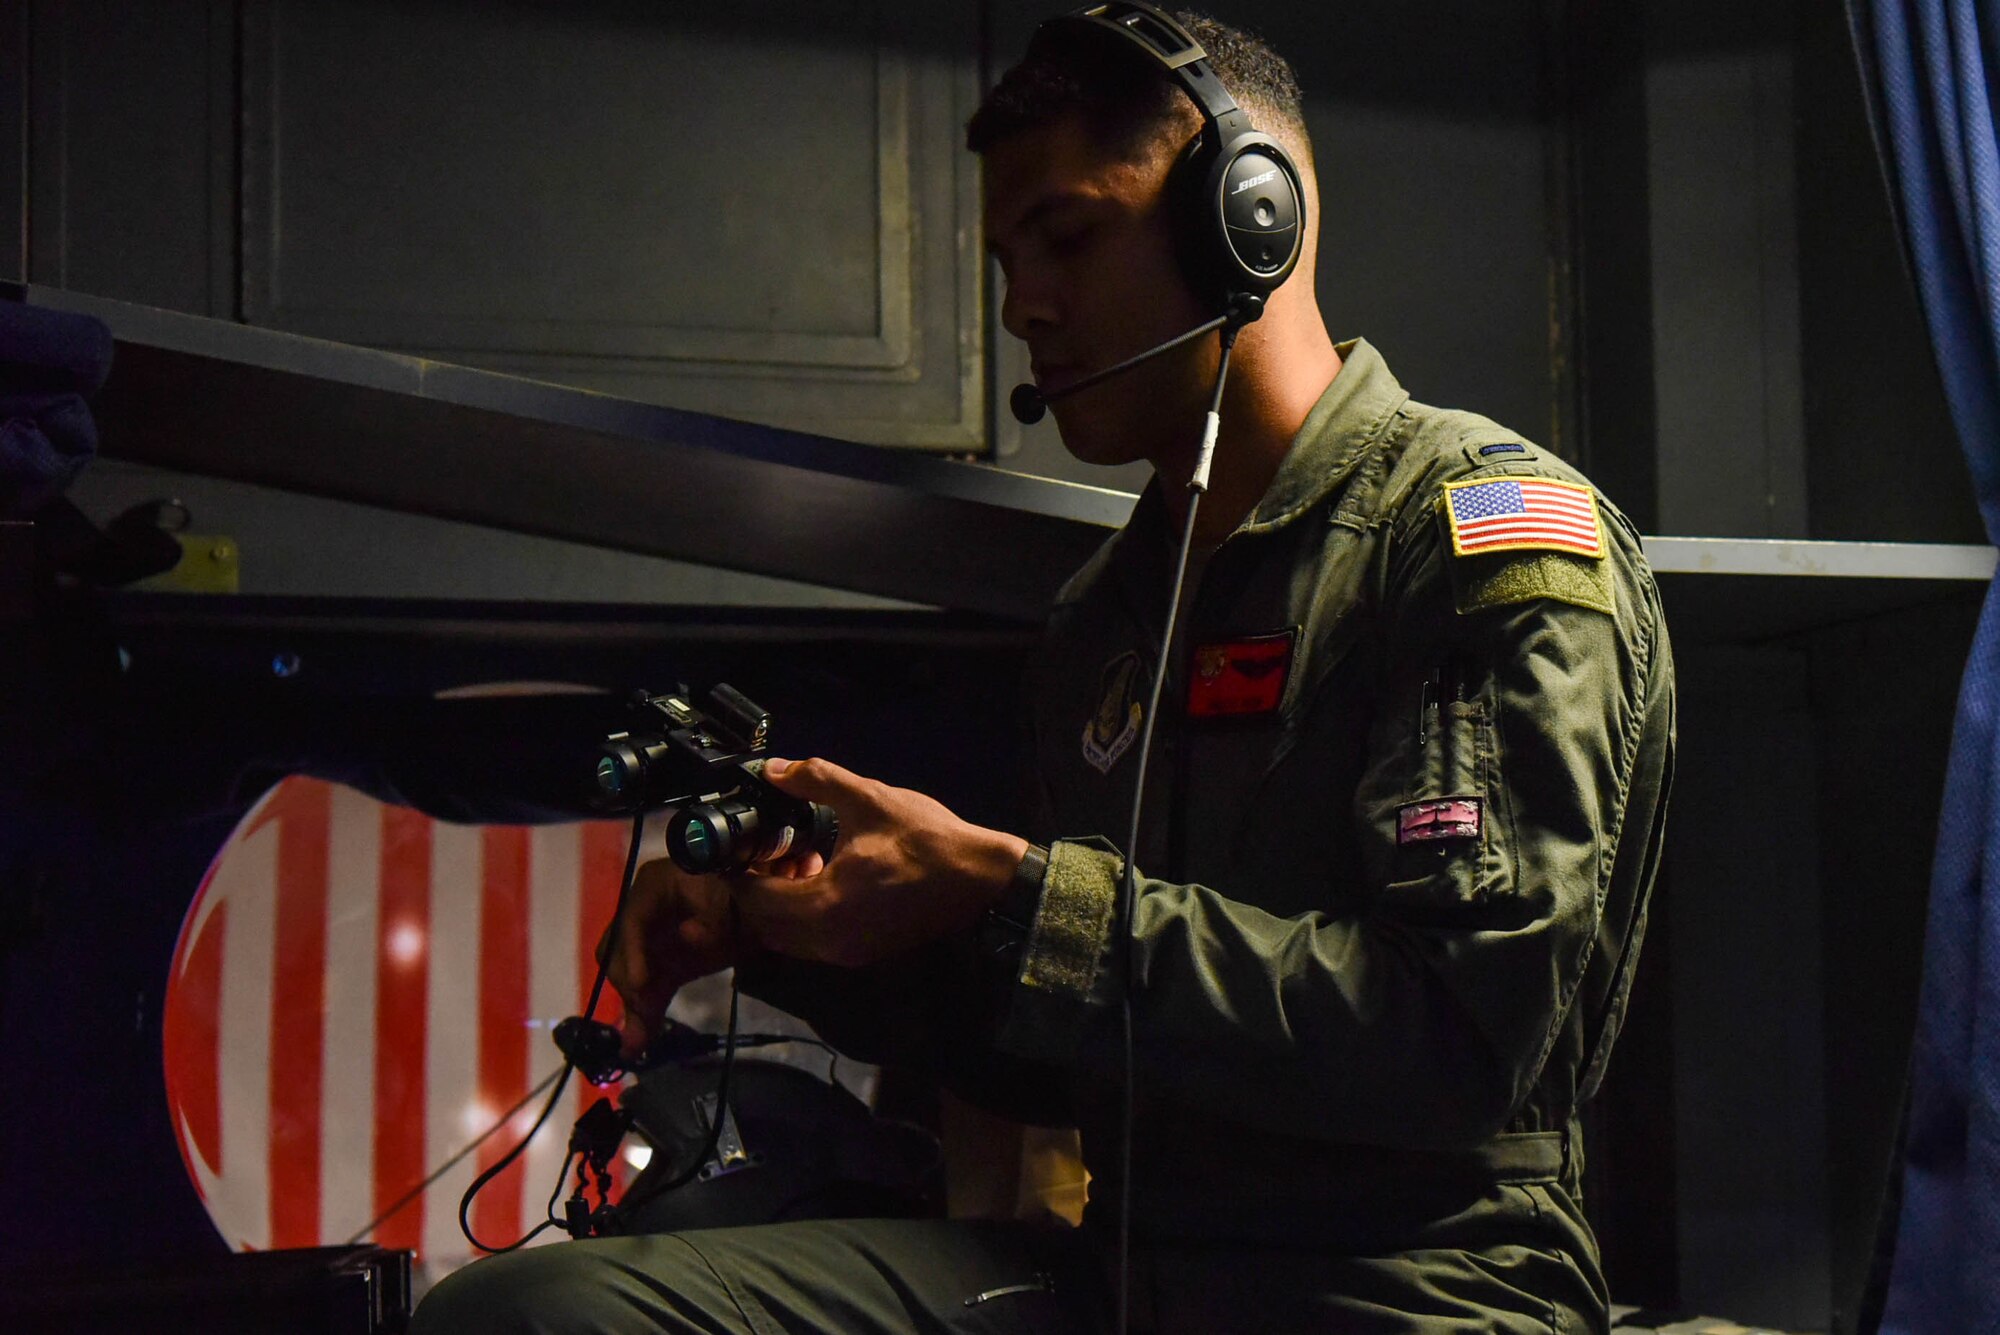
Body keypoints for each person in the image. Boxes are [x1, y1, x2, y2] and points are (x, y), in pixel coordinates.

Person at [412, 6, 1674, 1332]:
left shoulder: (1474, 541)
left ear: (1251, 221)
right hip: (1129, 1270)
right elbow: (1079, 1058)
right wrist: (804, 937)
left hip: (1413, 1285)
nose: (1025, 305)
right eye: (1010, 255)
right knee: (539, 1313)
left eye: (1069, 236)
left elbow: (1452, 1049)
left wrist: (1009, 891)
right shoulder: (1108, 617)